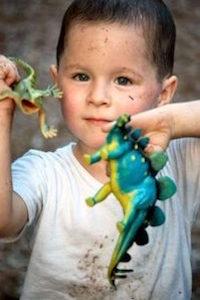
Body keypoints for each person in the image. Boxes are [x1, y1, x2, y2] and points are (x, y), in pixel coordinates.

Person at [0, 0, 199, 299]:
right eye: (81, 76)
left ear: (164, 93)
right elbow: (3, 223)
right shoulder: (44, 171)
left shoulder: (181, 160)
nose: (98, 96)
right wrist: (2, 116)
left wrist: (170, 121)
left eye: (123, 80)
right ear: (57, 83)